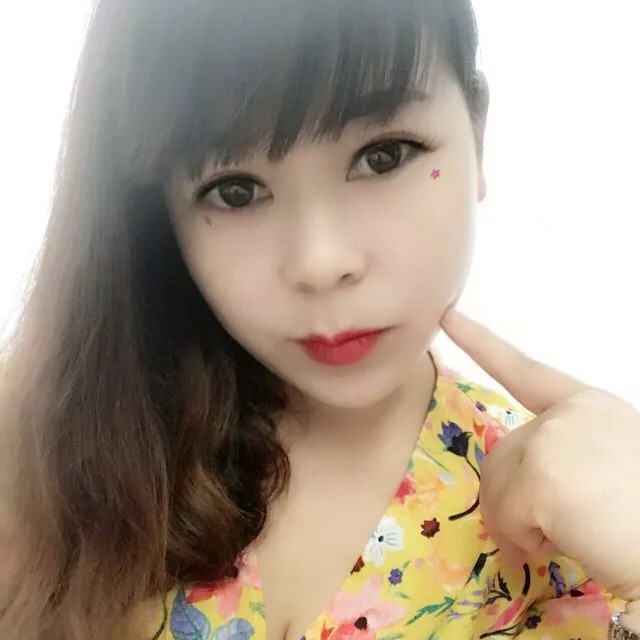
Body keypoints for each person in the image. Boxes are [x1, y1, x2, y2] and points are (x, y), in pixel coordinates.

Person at [0, 1, 638, 639]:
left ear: (477, 129)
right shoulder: (43, 448)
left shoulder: (580, 522)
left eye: (384, 155)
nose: (321, 262)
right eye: (235, 190)